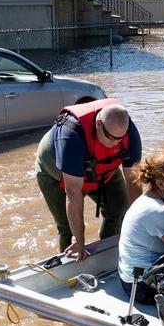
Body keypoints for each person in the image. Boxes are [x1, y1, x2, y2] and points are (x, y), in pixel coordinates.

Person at [35, 99, 142, 260]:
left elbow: (133, 180)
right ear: (99, 124)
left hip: (101, 169)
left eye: (120, 138)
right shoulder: (70, 136)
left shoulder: (128, 130)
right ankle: (72, 265)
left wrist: (141, 223)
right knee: (67, 229)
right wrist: (80, 239)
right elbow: (73, 192)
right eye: (110, 137)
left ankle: (110, 253)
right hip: (55, 173)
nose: (115, 143)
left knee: (119, 210)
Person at [117, 154, 164, 304]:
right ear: (161, 184)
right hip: (143, 288)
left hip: (129, 281)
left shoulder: (145, 199)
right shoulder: (160, 212)